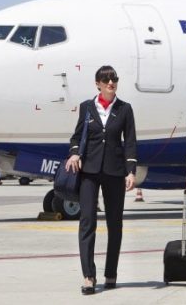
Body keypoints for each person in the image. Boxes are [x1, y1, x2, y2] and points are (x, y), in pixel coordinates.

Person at [64, 65, 137, 295]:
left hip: (115, 172)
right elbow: (77, 136)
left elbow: (131, 142)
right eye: (105, 80)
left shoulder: (125, 109)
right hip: (90, 172)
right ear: (97, 83)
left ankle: (111, 273)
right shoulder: (87, 108)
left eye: (113, 79)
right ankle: (88, 276)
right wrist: (75, 152)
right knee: (88, 222)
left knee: (115, 224)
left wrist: (131, 171)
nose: (110, 83)